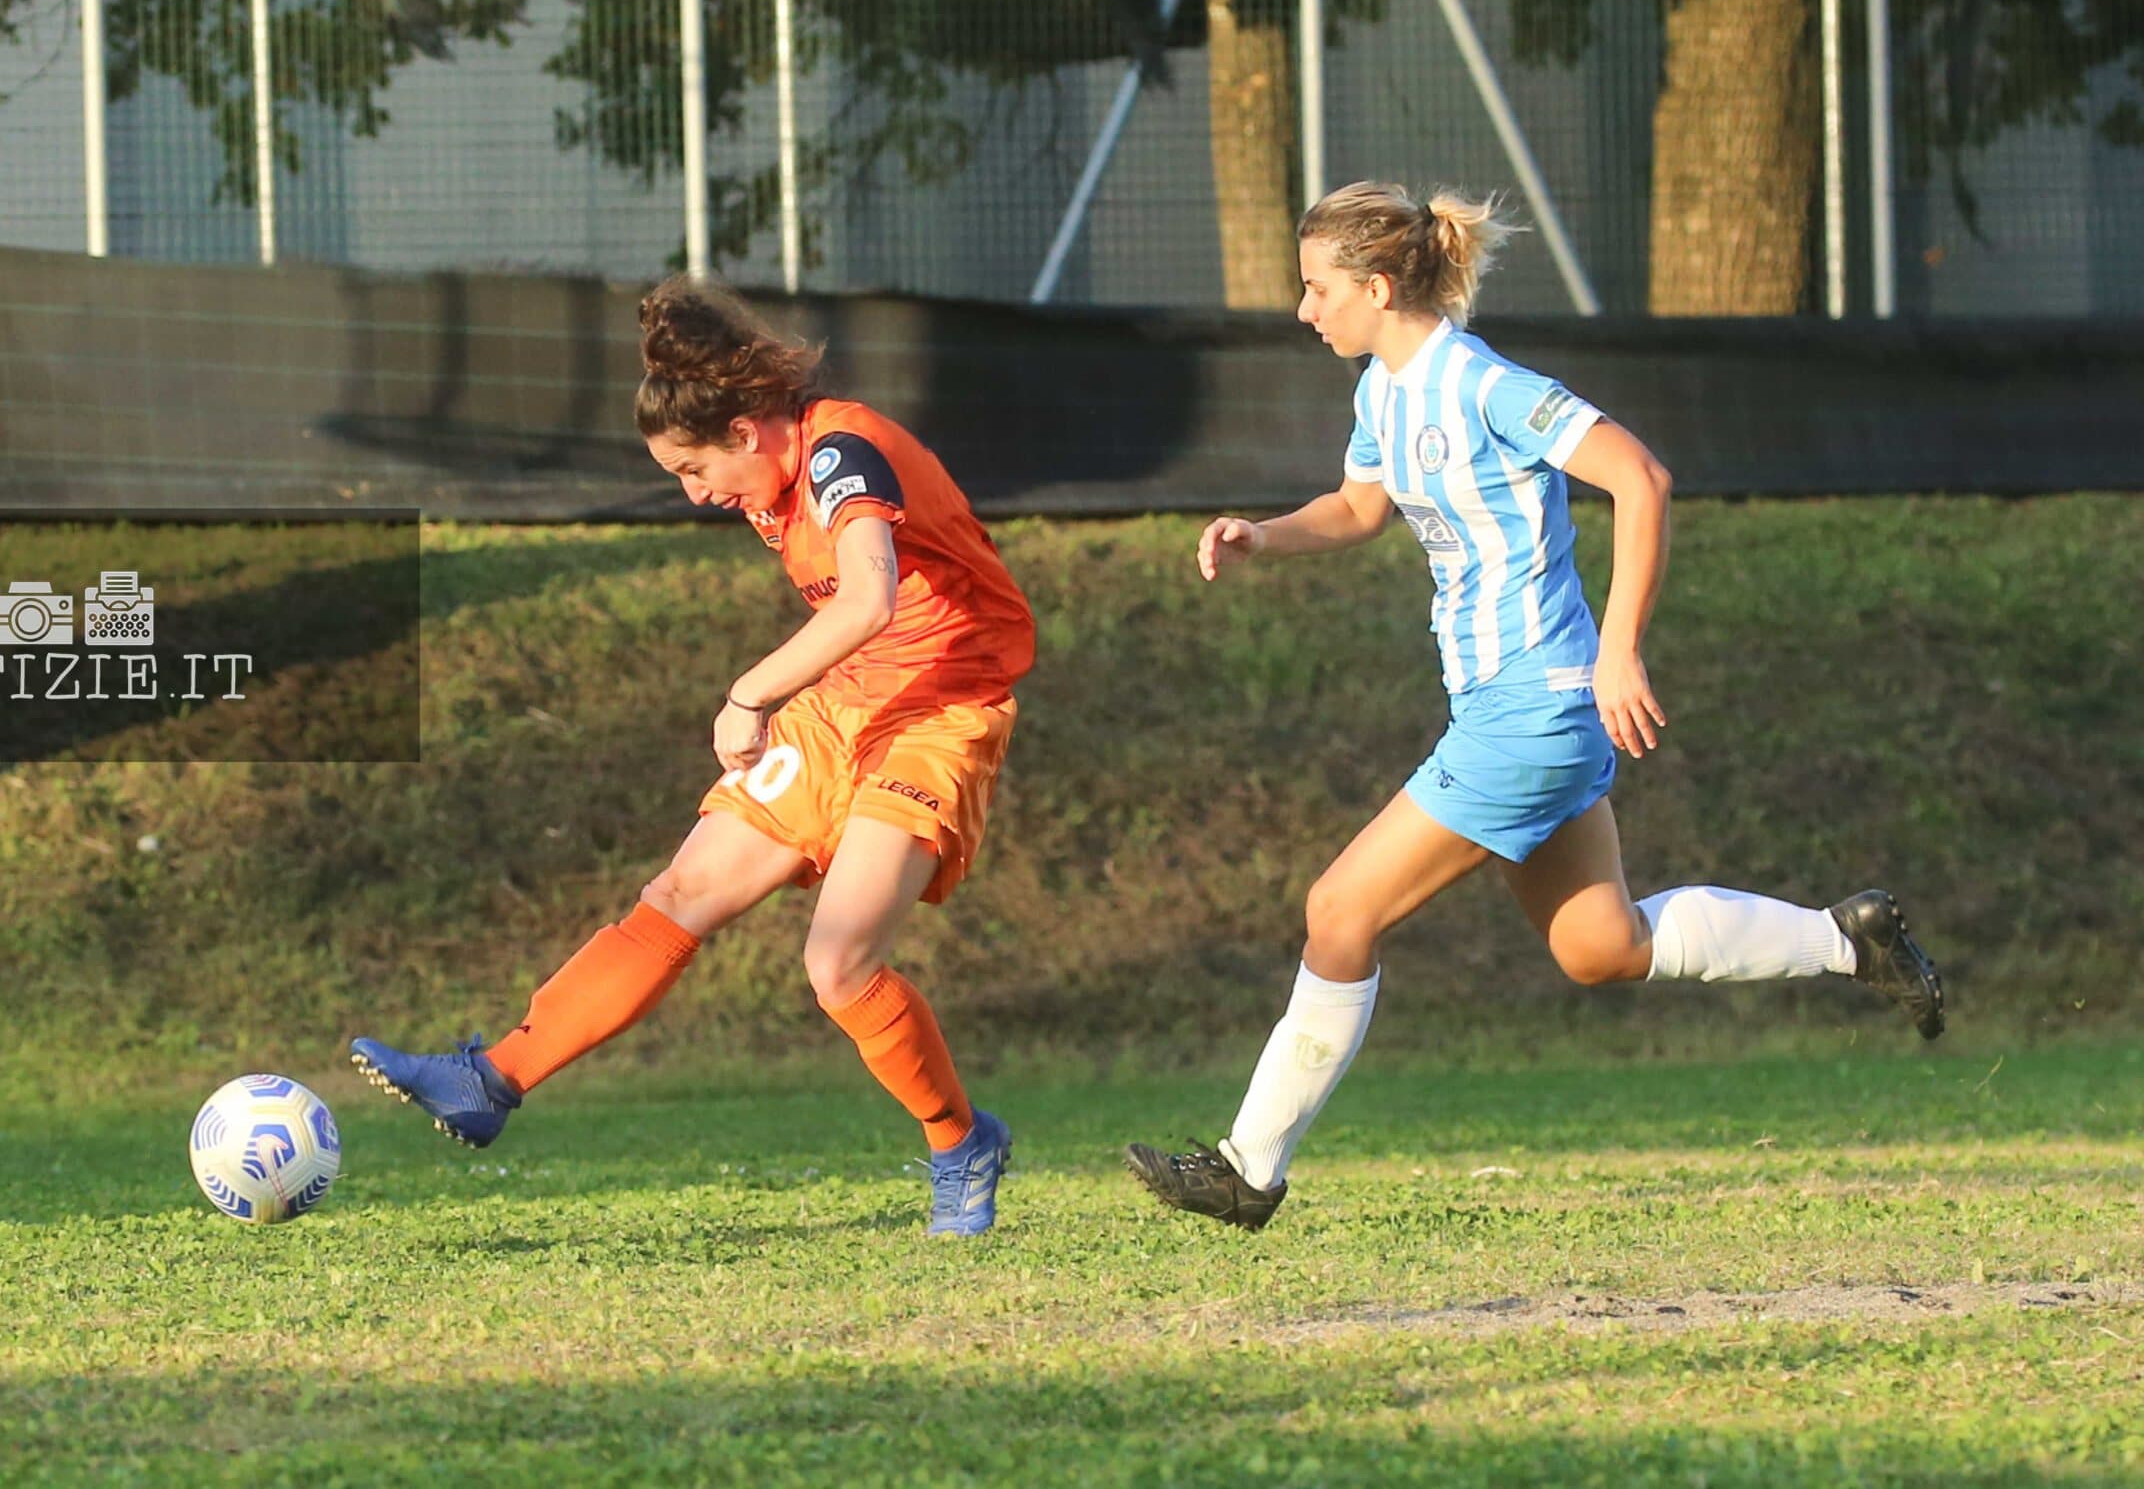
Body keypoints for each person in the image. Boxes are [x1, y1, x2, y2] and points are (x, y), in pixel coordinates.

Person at [1123, 181, 1945, 1232]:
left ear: (1377, 289)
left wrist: (1619, 650)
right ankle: (1848, 940)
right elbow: (1360, 507)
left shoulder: (1485, 386)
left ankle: (1249, 1170)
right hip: (1506, 709)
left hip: (1535, 711)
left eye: (1316, 288)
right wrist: (1264, 535)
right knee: (1600, 945)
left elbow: (1640, 479)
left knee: (1338, 911)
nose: (1303, 309)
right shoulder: (1382, 393)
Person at [353, 276, 1033, 1236]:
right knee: (678, 895)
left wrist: (749, 692)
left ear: (747, 431)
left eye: (693, 467)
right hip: (846, 705)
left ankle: (960, 1141)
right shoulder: (770, 474)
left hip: (938, 713)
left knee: (838, 962)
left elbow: (869, 598)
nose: (695, 493)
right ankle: (490, 1078)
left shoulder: (841, 453)